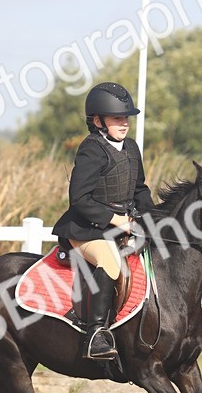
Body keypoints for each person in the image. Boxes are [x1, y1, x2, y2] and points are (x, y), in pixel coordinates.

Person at [52, 81, 155, 360]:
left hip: (122, 223)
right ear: (97, 121)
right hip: (87, 228)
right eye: (117, 118)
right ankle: (95, 334)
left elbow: (140, 190)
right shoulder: (91, 149)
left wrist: (154, 220)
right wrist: (116, 220)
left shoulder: (131, 148)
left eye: (126, 118)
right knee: (110, 261)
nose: (124, 124)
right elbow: (80, 199)